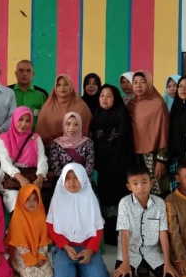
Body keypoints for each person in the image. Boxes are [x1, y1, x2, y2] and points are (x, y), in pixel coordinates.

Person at [112, 165, 179, 277]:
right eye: (135, 183)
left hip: (151, 251)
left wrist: (168, 263)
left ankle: (144, 266)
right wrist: (125, 263)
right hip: (131, 251)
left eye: (144, 182)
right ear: (129, 187)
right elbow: (124, 234)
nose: (140, 187)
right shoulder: (125, 203)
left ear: (151, 183)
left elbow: (163, 233)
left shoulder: (159, 203)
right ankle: (137, 266)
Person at [47, 164, 109, 277]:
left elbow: (98, 228)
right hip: (64, 248)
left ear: (83, 178)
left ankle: (81, 270)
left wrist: (90, 250)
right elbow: (51, 226)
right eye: (68, 178)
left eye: (76, 178)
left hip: (87, 247)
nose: (72, 182)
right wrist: (65, 246)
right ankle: (77, 270)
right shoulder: (58, 198)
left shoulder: (90, 199)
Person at [89, 84, 134, 244]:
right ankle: (106, 235)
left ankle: (119, 236)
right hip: (103, 167)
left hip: (119, 165)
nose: (105, 99)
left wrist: (107, 150)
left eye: (109, 96)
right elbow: (93, 139)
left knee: (118, 199)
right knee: (105, 199)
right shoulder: (97, 115)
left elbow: (123, 140)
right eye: (102, 96)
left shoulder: (121, 114)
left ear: (115, 98)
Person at [0, 106, 48, 212]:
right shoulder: (4, 138)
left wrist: (40, 176)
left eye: (27, 121)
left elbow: (42, 158)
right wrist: (20, 178)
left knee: (37, 198)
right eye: (20, 119)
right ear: (14, 119)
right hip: (12, 179)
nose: (24, 124)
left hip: (33, 177)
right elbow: (5, 162)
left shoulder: (35, 138)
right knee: (16, 198)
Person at [127, 70, 170, 195]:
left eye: (142, 82)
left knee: (157, 189)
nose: (138, 86)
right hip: (134, 154)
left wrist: (161, 160)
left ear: (149, 83)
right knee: (139, 190)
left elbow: (165, 132)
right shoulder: (131, 104)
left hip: (154, 154)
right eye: (135, 82)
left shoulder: (158, 104)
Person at [6, 184, 54, 277]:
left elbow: (44, 241)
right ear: (21, 199)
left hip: (38, 253)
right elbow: (18, 243)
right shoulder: (18, 218)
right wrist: (30, 258)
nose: (31, 203)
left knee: (49, 276)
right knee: (29, 276)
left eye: (35, 199)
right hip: (22, 255)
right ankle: (16, 273)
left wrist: (40, 256)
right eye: (27, 199)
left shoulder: (41, 217)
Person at [36, 74, 92, 147]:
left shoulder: (81, 106)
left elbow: (87, 129)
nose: (62, 87)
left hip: (78, 148)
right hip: (52, 149)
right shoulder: (48, 108)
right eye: (59, 85)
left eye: (66, 84)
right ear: (55, 88)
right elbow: (41, 131)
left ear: (71, 87)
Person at [48, 111, 95, 183]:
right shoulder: (56, 144)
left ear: (80, 126)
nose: (72, 128)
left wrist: (78, 182)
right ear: (63, 125)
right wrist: (70, 182)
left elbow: (89, 167)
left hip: (83, 182)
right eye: (68, 124)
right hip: (62, 182)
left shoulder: (87, 143)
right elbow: (55, 169)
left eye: (76, 124)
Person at [8, 60, 49, 128]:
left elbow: (47, 119)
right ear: (16, 73)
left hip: (35, 134)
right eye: (21, 70)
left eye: (28, 70)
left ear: (33, 74)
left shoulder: (42, 94)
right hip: (9, 134)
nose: (25, 74)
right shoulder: (7, 92)